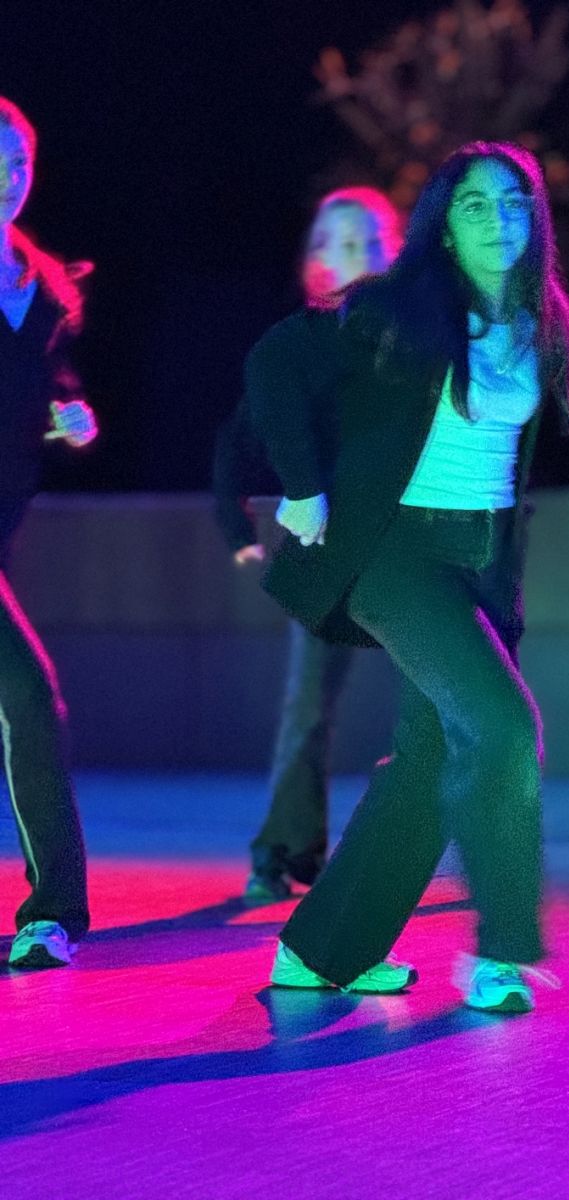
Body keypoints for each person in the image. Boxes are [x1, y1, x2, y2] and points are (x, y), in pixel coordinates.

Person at [248, 141, 569, 1013]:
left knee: (430, 755)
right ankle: (502, 951)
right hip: (397, 554)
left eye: (513, 203)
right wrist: (303, 486)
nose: (498, 220)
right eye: (475, 205)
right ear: (443, 227)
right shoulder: (395, 308)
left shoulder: (545, 319)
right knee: (503, 728)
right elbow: (275, 364)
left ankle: (320, 952)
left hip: (485, 561)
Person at [213, 187, 403, 901]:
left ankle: (456, 840)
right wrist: (235, 523)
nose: (358, 255)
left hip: (414, 543)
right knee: (308, 705)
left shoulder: (420, 337)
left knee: (447, 698)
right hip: (330, 549)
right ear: (318, 259)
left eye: (370, 241)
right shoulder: (300, 344)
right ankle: (284, 847)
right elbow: (240, 436)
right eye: (341, 243)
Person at [0, 97, 98, 969]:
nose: (6, 179)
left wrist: (72, 416)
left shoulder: (43, 290)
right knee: (31, 694)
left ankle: (53, 910)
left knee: (26, 699)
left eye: (17, 163)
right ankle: (55, 910)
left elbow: (51, 386)